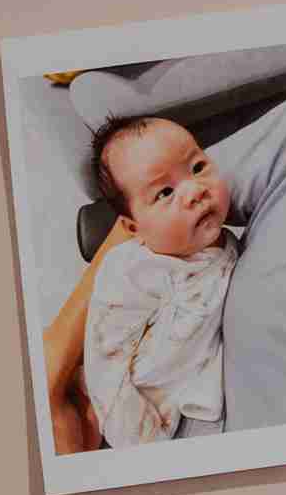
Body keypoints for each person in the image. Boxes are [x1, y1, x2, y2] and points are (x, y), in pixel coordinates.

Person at [77, 113, 240, 448]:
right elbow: (106, 360)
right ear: (134, 227)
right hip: (137, 411)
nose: (195, 191)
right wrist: (138, 441)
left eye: (197, 167)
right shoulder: (132, 271)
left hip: (197, 395)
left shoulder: (231, 244)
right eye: (165, 192)